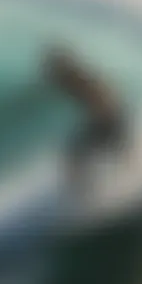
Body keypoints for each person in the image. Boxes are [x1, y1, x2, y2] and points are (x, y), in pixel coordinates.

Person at [14, 41, 128, 189]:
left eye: (51, 67)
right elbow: (40, 92)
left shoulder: (74, 78)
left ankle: (86, 189)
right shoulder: (73, 77)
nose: (48, 71)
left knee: (75, 151)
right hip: (111, 119)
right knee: (91, 151)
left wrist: (103, 116)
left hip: (109, 121)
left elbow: (99, 98)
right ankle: (121, 169)